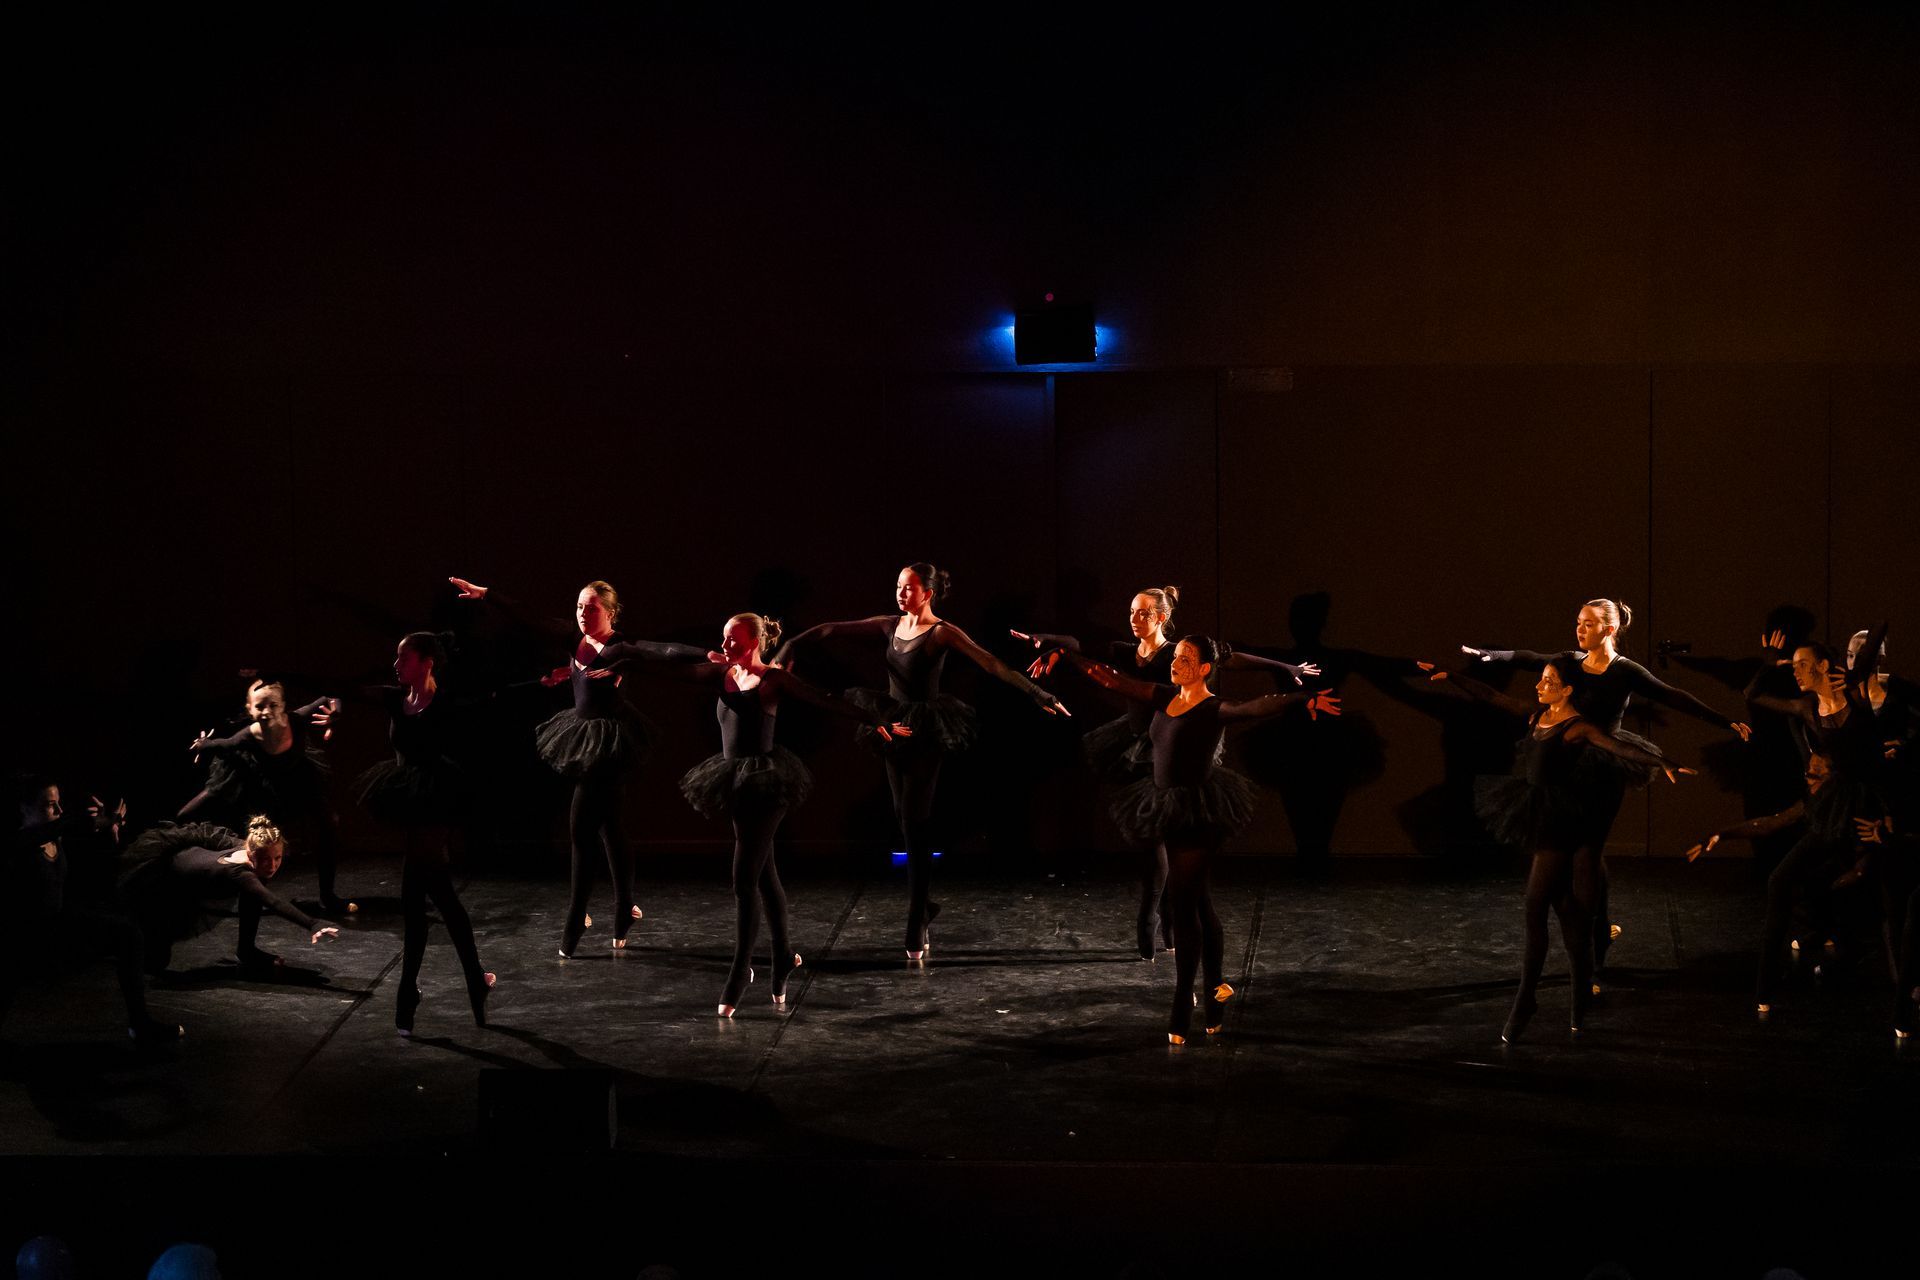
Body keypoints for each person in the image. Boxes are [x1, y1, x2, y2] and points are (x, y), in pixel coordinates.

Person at [1038, 636, 1339, 1042]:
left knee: (1182, 902)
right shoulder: (1163, 696)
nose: (1175, 664)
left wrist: (1298, 700)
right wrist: (1068, 655)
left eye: (1184, 660)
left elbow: (1255, 705)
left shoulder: (1213, 708)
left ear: (1203, 669)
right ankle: (1216, 989)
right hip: (1164, 806)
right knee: (1198, 901)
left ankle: (1184, 998)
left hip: (1200, 814)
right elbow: (1110, 679)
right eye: (1175, 657)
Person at [773, 563, 1070, 959]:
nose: (901, 593)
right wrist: (790, 645)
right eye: (898, 586)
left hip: (927, 729)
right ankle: (925, 905)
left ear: (928, 593)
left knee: (915, 820)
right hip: (892, 724)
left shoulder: (942, 632)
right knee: (902, 817)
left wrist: (1038, 694)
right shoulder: (889, 625)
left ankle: (916, 918)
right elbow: (830, 629)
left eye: (909, 588)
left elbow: (990, 663)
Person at [1013, 584, 1319, 958]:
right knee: (1151, 838)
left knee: (1171, 835)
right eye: (1130, 613)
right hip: (1133, 747)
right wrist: (1050, 642)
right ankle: (1154, 911)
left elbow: (1229, 657)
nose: (1134, 620)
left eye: (1143, 613)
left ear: (1161, 617)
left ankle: (1168, 914)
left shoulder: (1178, 654)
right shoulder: (1125, 652)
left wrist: (1285, 668)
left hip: (1172, 744)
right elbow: (1087, 652)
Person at [1463, 598, 1749, 972]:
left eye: (1588, 624)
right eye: (1578, 622)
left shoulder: (1625, 671)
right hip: (1566, 766)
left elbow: (1673, 696)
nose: (1579, 630)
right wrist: (1491, 655)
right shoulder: (1570, 660)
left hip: (1604, 766)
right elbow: (1532, 657)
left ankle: (1594, 955)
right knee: (1583, 857)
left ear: (1609, 630)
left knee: (1587, 854)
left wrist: (1725, 721)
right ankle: (1599, 929)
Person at [1432, 655, 1688, 1042]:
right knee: (1567, 912)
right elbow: (1493, 697)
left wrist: (1663, 761)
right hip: (1537, 812)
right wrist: (1451, 675)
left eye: (1548, 681)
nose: (1539, 686)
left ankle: (1526, 999)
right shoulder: (1537, 715)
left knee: (1535, 905)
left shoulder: (1576, 728)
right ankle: (1579, 992)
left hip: (1561, 821)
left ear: (1567, 689)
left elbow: (1617, 747)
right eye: (1541, 680)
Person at [677, 613, 906, 1015]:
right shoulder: (724, 674)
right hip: (733, 780)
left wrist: (874, 717)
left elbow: (825, 699)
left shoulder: (774, 679)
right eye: (724, 639)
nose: (726, 646)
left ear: (754, 643)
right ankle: (783, 957)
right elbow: (671, 665)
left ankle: (740, 971)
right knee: (764, 875)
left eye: (733, 641)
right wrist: (622, 662)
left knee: (743, 879)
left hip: (769, 784)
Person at [450, 576, 685, 957]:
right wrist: (487, 595)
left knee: (581, 829)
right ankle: (624, 907)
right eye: (578, 606)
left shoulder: (620, 646)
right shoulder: (573, 640)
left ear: (610, 612)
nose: (582, 613)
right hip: (582, 735)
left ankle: (577, 917)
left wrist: (710, 657)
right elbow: (530, 617)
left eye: (591, 608)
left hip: (609, 744)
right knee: (609, 826)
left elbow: (664, 650)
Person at [352, 631, 495, 1035]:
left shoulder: (445, 703)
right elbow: (344, 687)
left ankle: (409, 994)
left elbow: (491, 700)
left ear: (427, 662)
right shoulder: (395, 699)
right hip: (409, 801)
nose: (396, 666)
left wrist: (542, 683)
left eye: (404, 658)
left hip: (437, 802)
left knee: (418, 895)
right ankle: (472, 980)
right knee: (431, 899)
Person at [3, 776, 176, 1046]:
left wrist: (110, 827)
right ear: (25, 809)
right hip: (24, 939)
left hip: (56, 924)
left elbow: (91, 868)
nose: (58, 811)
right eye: (50, 805)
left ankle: (140, 1025)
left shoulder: (55, 837)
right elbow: (58, 827)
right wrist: (80, 819)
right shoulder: (18, 843)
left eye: (60, 804)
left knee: (127, 933)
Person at [180, 678, 355, 915]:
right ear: (250, 710)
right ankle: (246, 893)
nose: (266, 712)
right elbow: (220, 745)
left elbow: (331, 699)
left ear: (283, 706)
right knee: (258, 839)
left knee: (329, 822)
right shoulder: (247, 736)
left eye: (273, 705)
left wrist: (336, 713)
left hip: (300, 782)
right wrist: (202, 744)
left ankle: (328, 895)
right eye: (260, 707)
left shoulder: (298, 719)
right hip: (265, 787)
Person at [117, 816, 339, 973]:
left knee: (253, 890)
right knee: (155, 962)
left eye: (278, 858)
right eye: (264, 859)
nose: (272, 865)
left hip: (190, 868)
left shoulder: (242, 849)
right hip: (166, 883)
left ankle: (247, 951)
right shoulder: (240, 874)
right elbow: (272, 901)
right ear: (250, 852)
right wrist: (312, 923)